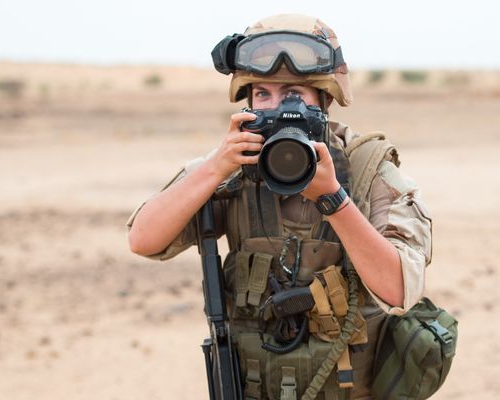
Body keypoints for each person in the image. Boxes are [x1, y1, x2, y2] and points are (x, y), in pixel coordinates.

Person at [127, 13, 432, 399]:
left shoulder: (367, 169)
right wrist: (214, 169)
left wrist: (333, 199)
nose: (277, 108)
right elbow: (143, 240)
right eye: (262, 95)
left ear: (325, 98)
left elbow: (399, 291)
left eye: (293, 94)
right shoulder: (232, 165)